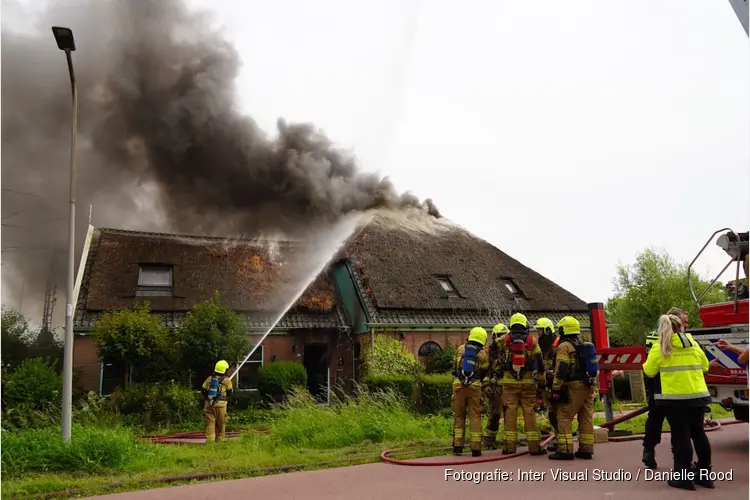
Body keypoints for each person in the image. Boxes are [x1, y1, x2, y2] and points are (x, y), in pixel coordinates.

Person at [643, 314, 713, 490]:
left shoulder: (661, 347)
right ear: (681, 327)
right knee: (699, 433)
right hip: (698, 396)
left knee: (681, 435)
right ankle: (705, 475)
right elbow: (705, 367)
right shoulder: (693, 344)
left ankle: (683, 476)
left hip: (674, 399)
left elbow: (649, 371)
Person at [496, 313, 547, 455]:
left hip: (509, 383)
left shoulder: (504, 339)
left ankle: (509, 447)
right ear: (525, 325)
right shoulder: (532, 341)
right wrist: (541, 381)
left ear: (511, 325)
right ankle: (534, 447)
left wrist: (499, 365)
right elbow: (540, 362)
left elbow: (491, 349)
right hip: (528, 383)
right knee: (529, 413)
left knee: (510, 413)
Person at [548, 316, 596, 461]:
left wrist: (555, 388)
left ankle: (565, 450)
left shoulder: (564, 347)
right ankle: (586, 449)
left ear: (563, 330)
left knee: (564, 416)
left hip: (573, 386)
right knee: (585, 417)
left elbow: (561, 369)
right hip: (588, 385)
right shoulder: (583, 345)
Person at [452, 327, 490, 456]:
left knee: (459, 416)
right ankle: (476, 448)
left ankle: (458, 446)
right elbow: (485, 371)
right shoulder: (483, 354)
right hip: (474, 387)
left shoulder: (460, 349)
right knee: (475, 416)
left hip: (458, 386)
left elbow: (454, 368)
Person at [482, 323, 508, 449]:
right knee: (495, 414)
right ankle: (488, 439)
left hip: (508, 388)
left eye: (504, 335)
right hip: (495, 388)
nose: (502, 339)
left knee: (509, 413)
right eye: (500, 336)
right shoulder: (489, 352)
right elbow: (485, 371)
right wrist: (485, 385)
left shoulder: (510, 351)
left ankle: (509, 440)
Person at [535, 317, 559, 452]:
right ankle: (547, 428)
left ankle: (555, 435)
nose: (538, 333)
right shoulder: (541, 345)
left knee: (556, 408)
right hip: (545, 380)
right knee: (550, 406)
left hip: (555, 380)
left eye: (540, 331)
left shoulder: (557, 343)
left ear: (547, 330)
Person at [642, 329, 663, 469]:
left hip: (653, 381)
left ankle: (648, 450)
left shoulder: (653, 333)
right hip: (668, 382)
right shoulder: (671, 336)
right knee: (679, 424)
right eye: (684, 322)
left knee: (654, 417)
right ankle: (680, 459)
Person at [201, 360, 233, 444]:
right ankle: (220, 442)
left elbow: (203, 390)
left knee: (210, 423)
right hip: (221, 406)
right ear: (225, 370)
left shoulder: (210, 378)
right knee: (221, 424)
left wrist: (208, 399)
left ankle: (210, 442)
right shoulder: (227, 381)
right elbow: (230, 393)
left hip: (209, 405)